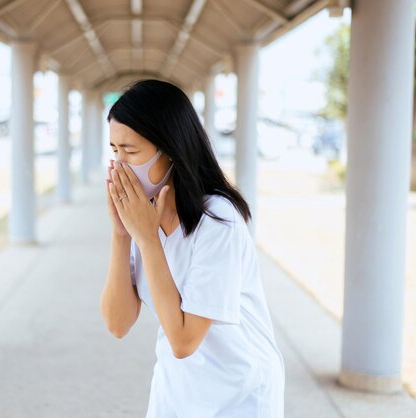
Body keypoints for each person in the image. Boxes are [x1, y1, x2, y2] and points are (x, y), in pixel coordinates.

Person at [99, 79, 285, 418]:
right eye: (114, 150)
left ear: (169, 147)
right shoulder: (143, 217)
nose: (119, 164)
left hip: (239, 398)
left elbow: (185, 340)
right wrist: (121, 233)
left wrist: (147, 239)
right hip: (178, 396)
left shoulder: (218, 221)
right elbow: (118, 323)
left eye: (130, 150)